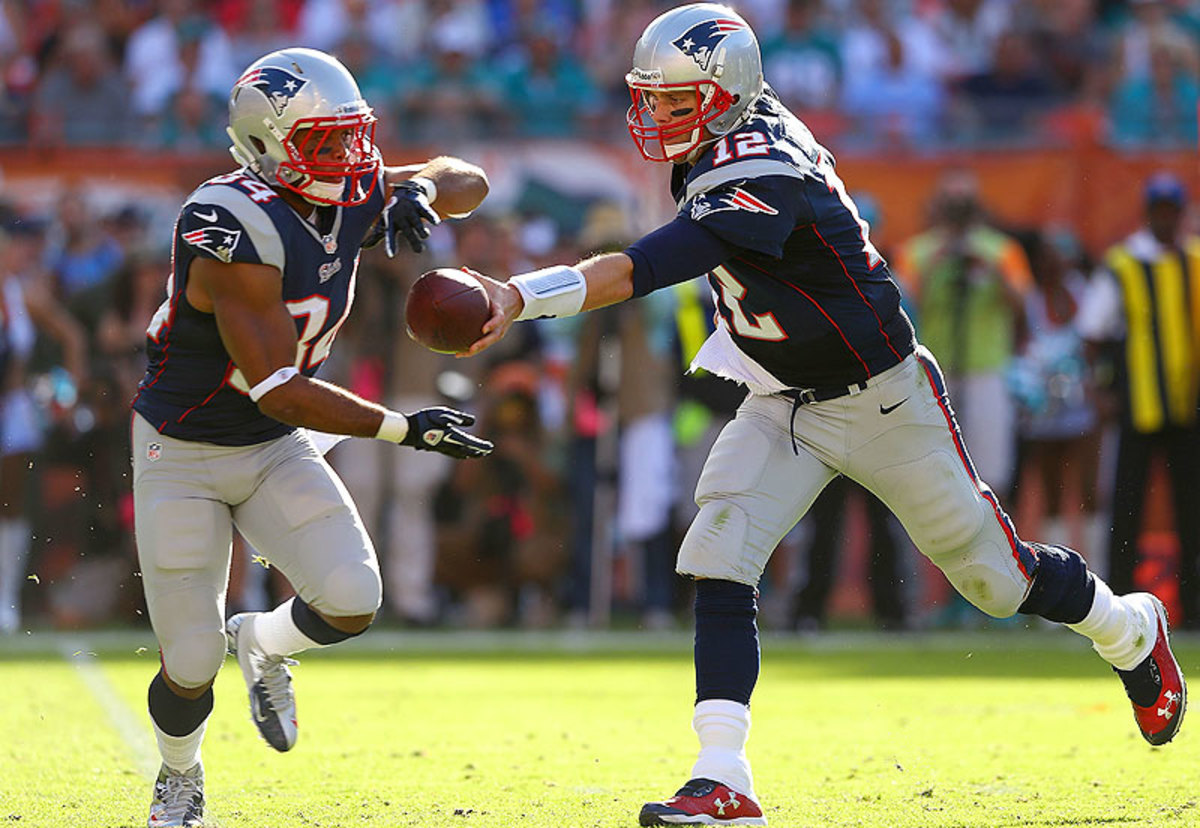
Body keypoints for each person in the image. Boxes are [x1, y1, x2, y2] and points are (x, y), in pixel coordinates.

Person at [460, 6, 1187, 825]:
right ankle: (721, 773)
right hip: (781, 397)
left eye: (673, 100)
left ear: (725, 92)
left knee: (993, 579)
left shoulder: (762, 168)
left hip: (880, 396)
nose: (655, 116)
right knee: (723, 552)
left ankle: (1129, 627)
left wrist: (516, 295)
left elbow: (649, 265)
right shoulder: (732, 131)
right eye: (651, 98)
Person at [130, 47, 493, 828]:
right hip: (186, 448)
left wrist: (418, 186)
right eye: (327, 143)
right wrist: (403, 428)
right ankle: (179, 776)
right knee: (190, 662)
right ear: (266, 144)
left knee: (354, 599)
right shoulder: (227, 221)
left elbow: (473, 181)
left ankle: (261, 639)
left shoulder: (350, 181)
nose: (352, 158)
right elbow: (277, 384)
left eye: (354, 137)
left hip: (268, 444)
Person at [1077, 172, 1200, 627]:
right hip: (1137, 403)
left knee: (1193, 509)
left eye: (1174, 211)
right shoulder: (1125, 264)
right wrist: (1101, 390)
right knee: (1126, 505)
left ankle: (1193, 608)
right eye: (1160, 211)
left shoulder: (1195, 259)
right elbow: (1092, 333)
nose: (1167, 220)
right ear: (1149, 213)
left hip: (1189, 406)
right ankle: (1117, 608)